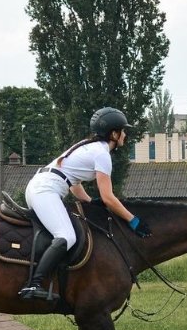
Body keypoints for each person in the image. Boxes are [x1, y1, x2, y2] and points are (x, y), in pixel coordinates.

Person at [18, 107, 152, 301]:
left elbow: (74, 183)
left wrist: (89, 201)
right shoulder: (102, 154)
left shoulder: (89, 146)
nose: (125, 134)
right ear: (114, 134)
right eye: (123, 130)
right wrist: (133, 221)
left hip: (42, 187)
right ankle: (34, 284)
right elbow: (108, 198)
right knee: (66, 236)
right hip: (45, 191)